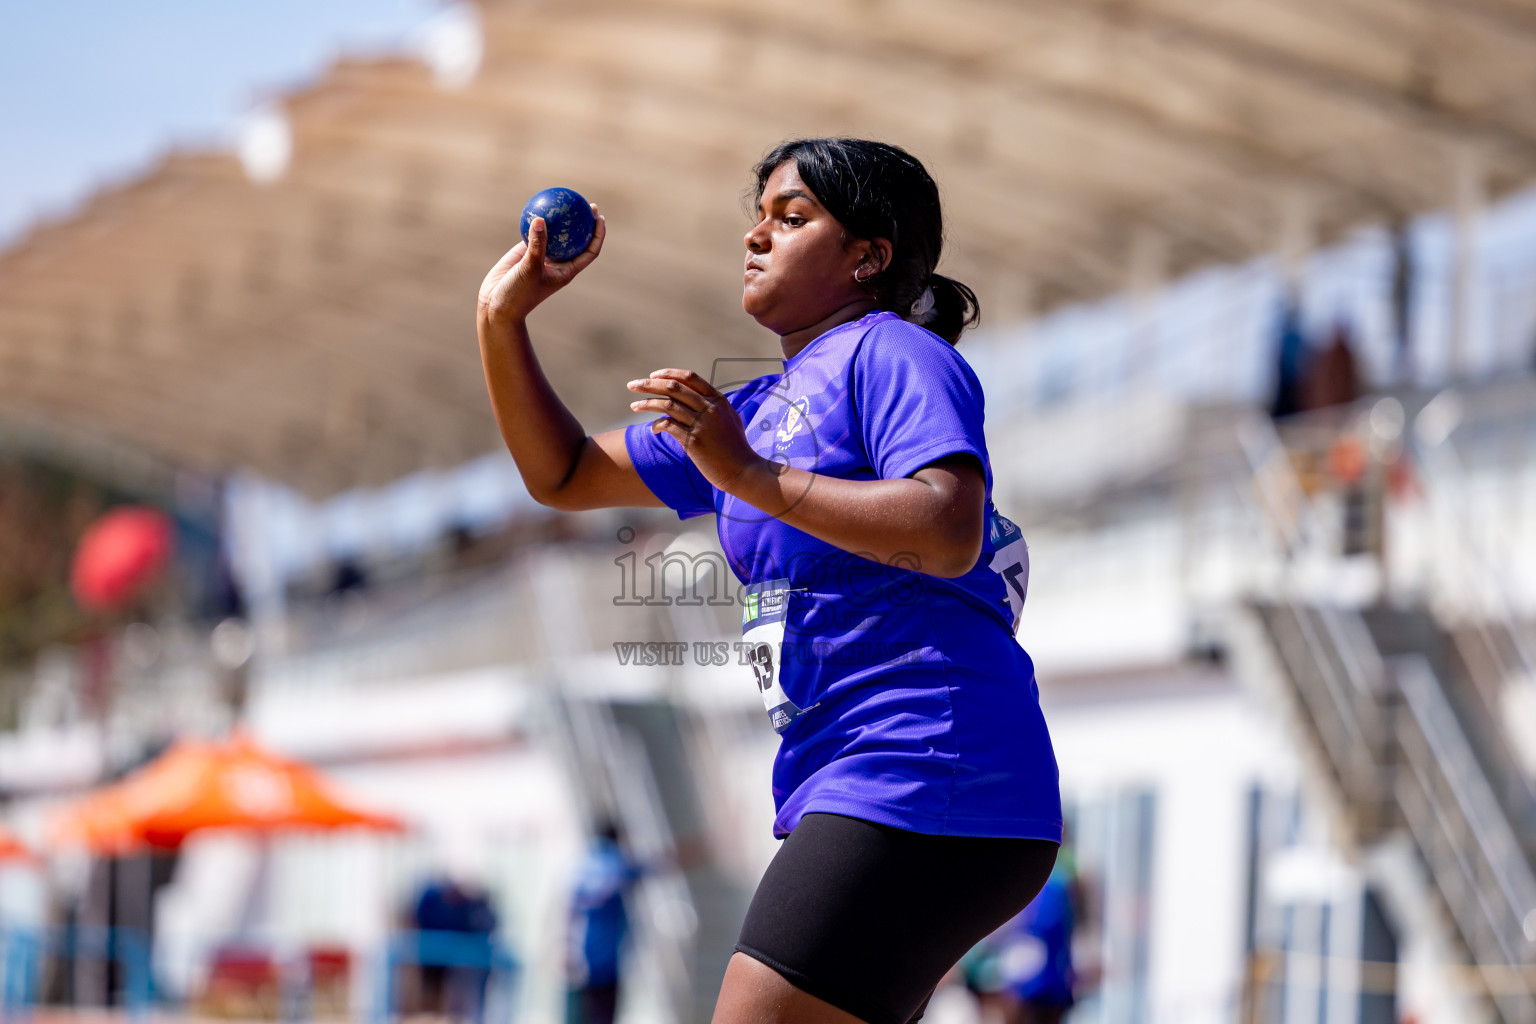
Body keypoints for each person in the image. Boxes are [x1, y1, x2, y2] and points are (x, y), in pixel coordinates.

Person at [477, 136, 1062, 1024]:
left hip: (928, 762)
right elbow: (561, 475)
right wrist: (502, 320)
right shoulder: (749, 414)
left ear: (870, 256)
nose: (755, 238)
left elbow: (947, 527)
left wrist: (752, 478)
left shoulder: (894, 355)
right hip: (850, 775)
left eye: (790, 219)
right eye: (756, 220)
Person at [565, 821, 641, 1024]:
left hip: (589, 946)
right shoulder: (618, 864)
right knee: (606, 1009)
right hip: (611, 951)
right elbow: (655, 867)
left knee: (590, 1006)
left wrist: (566, 944)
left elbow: (571, 909)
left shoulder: (588, 864)